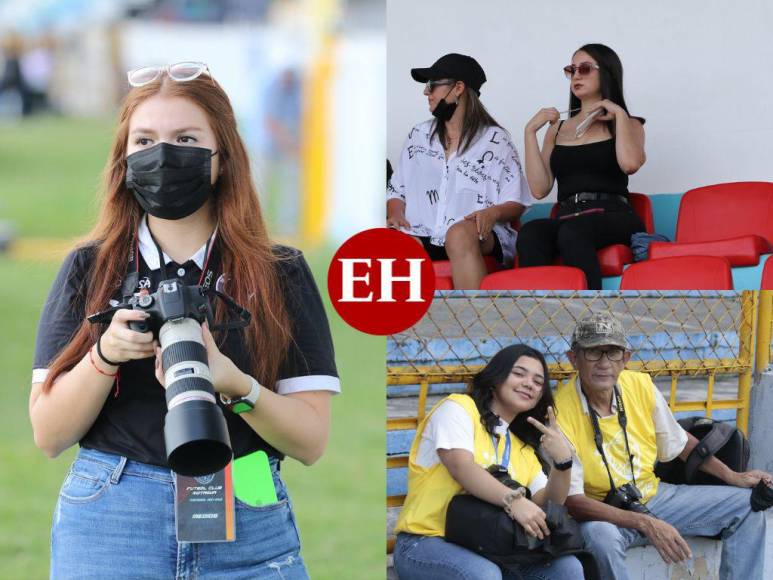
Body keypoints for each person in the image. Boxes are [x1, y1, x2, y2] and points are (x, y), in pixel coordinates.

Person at [29, 61, 340, 579]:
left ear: (222, 157)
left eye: (185, 137)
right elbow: (49, 434)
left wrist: (235, 384)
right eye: (144, 140)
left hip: (247, 489)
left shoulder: (278, 272)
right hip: (113, 507)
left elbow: (310, 442)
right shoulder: (91, 266)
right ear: (124, 159)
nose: (162, 155)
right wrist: (105, 355)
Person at [554, 312, 770, 579]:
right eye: (593, 353)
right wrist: (646, 523)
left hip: (653, 496)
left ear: (626, 359)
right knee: (599, 538)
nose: (604, 363)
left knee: (749, 504)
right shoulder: (559, 411)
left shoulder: (639, 384)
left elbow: (680, 443)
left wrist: (733, 477)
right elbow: (573, 501)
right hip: (603, 512)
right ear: (573, 358)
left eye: (612, 353)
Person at [393, 344, 584, 580]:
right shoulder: (458, 409)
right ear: (497, 377)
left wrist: (562, 462)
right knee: (483, 575)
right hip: (425, 542)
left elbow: (548, 502)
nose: (529, 384)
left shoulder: (521, 446)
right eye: (519, 373)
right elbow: (461, 467)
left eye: (538, 381)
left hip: (489, 548)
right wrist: (513, 501)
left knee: (567, 569)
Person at [387, 53, 530, 290]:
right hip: (422, 233)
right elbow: (396, 191)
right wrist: (396, 215)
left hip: (478, 236)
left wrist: (493, 213)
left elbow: (516, 201)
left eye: (432, 85)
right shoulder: (418, 136)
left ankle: (474, 323)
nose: (426, 93)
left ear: (458, 88)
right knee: (384, 241)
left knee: (458, 235)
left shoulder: (495, 139)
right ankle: (401, 326)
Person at [518, 44, 646, 289]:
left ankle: (593, 318)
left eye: (585, 68)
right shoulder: (557, 129)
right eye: (571, 69)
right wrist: (529, 132)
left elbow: (630, 164)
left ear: (606, 72)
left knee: (573, 232)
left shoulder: (629, 123)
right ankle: (538, 319)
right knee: (531, 232)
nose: (576, 75)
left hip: (613, 214)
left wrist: (618, 115)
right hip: (568, 215)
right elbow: (539, 188)